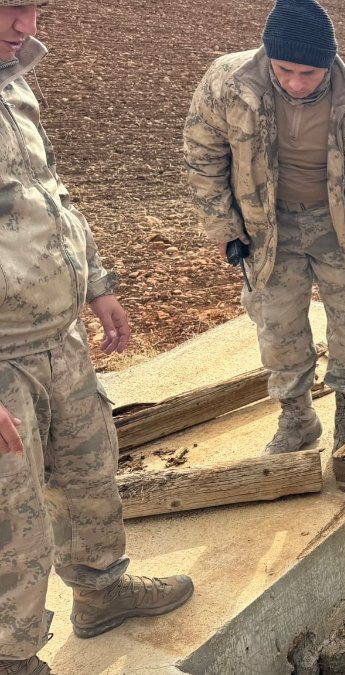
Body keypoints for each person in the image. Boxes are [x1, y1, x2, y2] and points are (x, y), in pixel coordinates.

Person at [1, 3, 194, 673]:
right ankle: (12, 657)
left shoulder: (14, 85)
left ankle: (102, 591)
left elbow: (49, 196)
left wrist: (96, 283)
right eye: (9, 8)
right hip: (4, 359)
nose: (26, 26)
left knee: (89, 474)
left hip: (59, 337)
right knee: (12, 520)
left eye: (33, 7)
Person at [183, 0, 345, 453]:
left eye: (309, 73)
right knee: (277, 326)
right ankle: (297, 418)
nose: (295, 82)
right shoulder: (228, 84)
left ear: (330, 62)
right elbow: (202, 153)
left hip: (341, 231)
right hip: (267, 228)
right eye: (284, 70)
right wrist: (224, 225)